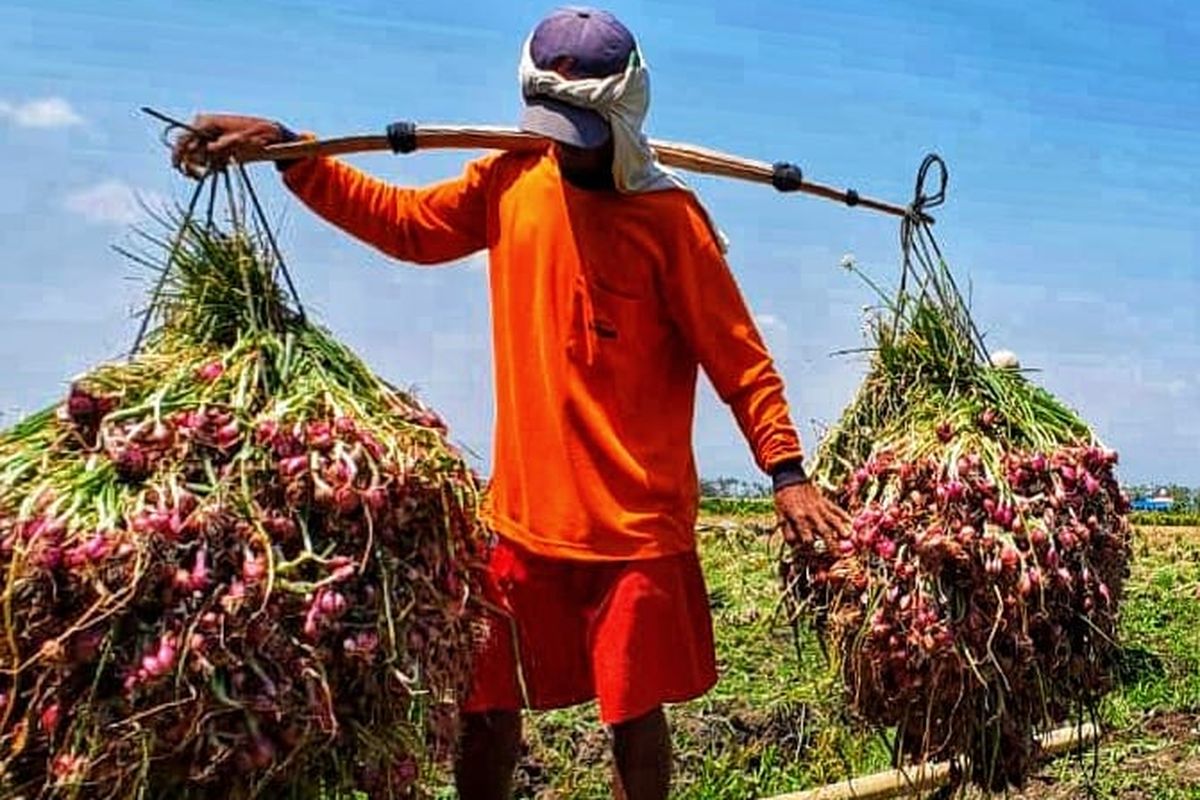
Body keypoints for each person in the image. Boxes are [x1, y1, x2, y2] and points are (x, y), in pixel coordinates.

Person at [172, 7, 850, 799]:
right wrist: (296, 153)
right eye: (548, 122)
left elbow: (740, 357)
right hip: (524, 519)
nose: (560, 142)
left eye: (579, 127)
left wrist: (786, 470)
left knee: (633, 716)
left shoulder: (670, 223)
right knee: (484, 706)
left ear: (624, 114)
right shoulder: (508, 179)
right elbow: (410, 226)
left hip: (636, 529)